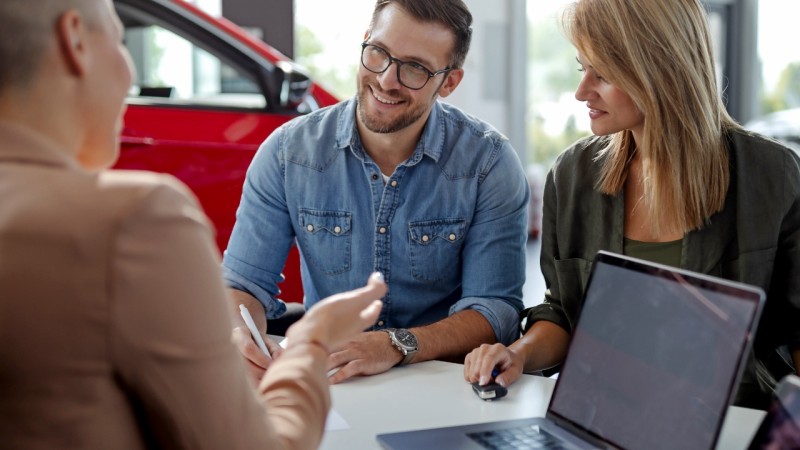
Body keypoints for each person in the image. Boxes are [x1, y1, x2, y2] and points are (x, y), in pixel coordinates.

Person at [0, 0, 388, 449]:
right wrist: (311, 342)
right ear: (76, 41)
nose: (129, 76)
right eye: (122, 42)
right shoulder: (135, 219)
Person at [464, 0, 800, 409]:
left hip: (733, 421)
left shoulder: (773, 175)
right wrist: (519, 354)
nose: (581, 91)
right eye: (581, 68)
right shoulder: (573, 176)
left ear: (659, 68)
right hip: (604, 416)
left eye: (602, 74)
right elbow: (564, 314)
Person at [222, 0, 529, 384]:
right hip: (331, 381)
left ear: (448, 82)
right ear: (365, 42)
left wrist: (396, 345)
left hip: (441, 383)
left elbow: (495, 310)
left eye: (414, 68)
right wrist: (241, 336)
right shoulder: (288, 154)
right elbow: (242, 285)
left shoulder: (488, 163)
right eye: (379, 53)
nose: (386, 79)